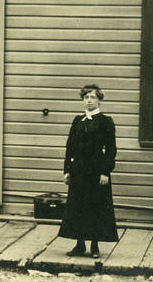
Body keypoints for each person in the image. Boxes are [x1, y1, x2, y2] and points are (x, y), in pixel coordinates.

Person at [58, 83, 118, 259]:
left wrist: (105, 172)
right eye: (86, 97)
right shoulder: (78, 121)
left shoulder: (106, 122)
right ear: (82, 100)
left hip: (96, 172)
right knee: (78, 207)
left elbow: (112, 149)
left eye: (93, 97)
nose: (89, 100)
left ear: (99, 100)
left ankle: (94, 246)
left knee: (95, 207)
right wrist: (67, 170)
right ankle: (79, 245)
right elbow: (70, 148)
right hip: (79, 172)